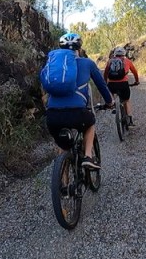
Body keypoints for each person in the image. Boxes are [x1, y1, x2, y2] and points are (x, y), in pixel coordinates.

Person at [43, 33, 112, 170]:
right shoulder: (87, 63)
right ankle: (88, 156)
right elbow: (101, 85)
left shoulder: (53, 65)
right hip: (77, 114)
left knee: (63, 146)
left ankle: (63, 182)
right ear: (79, 49)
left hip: (52, 116)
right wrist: (109, 101)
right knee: (90, 123)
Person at [103, 46, 140, 126]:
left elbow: (106, 73)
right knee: (126, 101)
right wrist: (136, 81)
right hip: (124, 84)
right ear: (124, 54)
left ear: (115, 54)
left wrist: (106, 83)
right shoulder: (127, 61)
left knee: (111, 93)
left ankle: (113, 105)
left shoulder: (110, 61)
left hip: (112, 84)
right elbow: (135, 72)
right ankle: (130, 121)